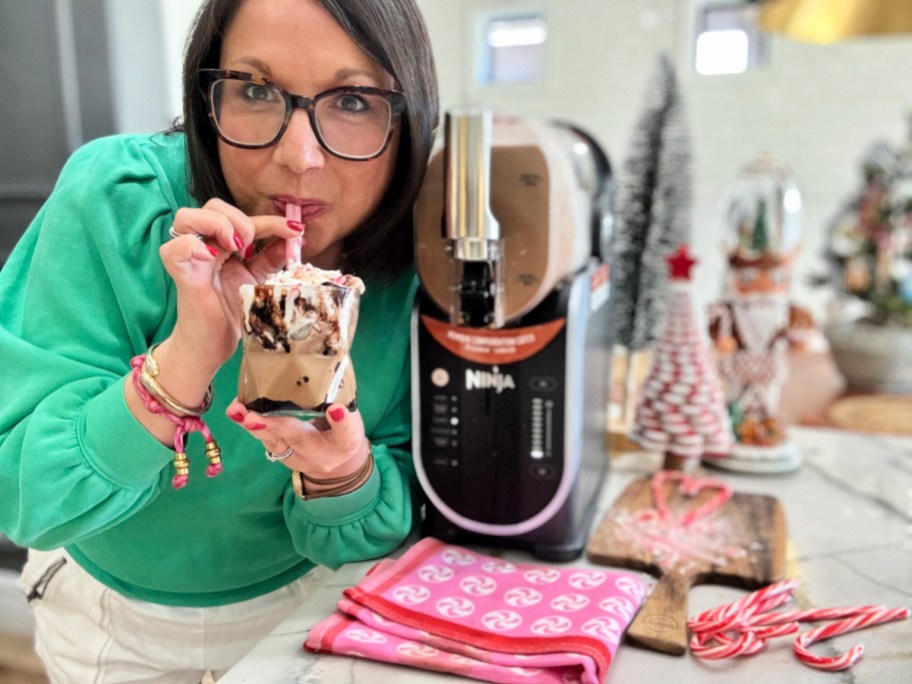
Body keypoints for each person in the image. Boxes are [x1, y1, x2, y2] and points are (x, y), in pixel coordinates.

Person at [0, 0, 438, 680]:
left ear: (408, 119)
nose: (299, 159)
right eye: (256, 91)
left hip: (306, 601)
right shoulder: (117, 198)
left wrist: (341, 471)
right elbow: (29, 498)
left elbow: (379, 532)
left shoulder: (429, 255)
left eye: (353, 101)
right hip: (106, 612)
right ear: (208, 99)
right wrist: (187, 357)